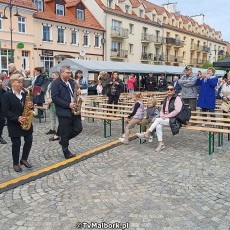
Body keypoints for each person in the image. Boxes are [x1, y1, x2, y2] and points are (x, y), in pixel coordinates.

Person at [1, 75, 34, 172]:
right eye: (19, 82)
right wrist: (17, 118)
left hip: (26, 121)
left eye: (21, 82)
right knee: (16, 143)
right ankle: (15, 163)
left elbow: (30, 107)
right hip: (14, 123)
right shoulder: (6, 95)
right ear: (12, 83)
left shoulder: (25, 94)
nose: (21, 84)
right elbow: (5, 111)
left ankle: (24, 159)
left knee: (29, 140)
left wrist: (31, 106)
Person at [136, 85, 183, 151]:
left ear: (174, 90)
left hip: (174, 119)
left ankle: (147, 133)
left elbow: (177, 110)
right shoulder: (166, 98)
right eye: (168, 89)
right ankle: (161, 144)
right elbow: (161, 110)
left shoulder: (177, 98)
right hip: (165, 119)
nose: (169, 90)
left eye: (171, 89)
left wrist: (166, 116)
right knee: (158, 125)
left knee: (157, 119)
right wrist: (162, 115)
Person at [51, 65, 83, 159]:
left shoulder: (72, 82)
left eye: (70, 72)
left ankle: (63, 140)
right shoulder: (56, 83)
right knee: (64, 132)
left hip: (74, 110)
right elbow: (55, 98)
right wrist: (68, 105)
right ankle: (66, 151)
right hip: (64, 111)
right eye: (68, 73)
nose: (70, 74)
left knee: (78, 128)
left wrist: (77, 92)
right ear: (62, 73)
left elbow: (73, 92)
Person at [45, 71, 60, 138]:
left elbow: (59, 94)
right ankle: (52, 129)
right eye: (52, 75)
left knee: (58, 118)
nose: (52, 77)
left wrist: (52, 99)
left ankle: (60, 131)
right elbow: (47, 91)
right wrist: (48, 98)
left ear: (58, 76)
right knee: (52, 117)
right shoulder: (50, 83)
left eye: (53, 75)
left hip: (56, 103)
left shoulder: (59, 83)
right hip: (51, 103)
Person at [0, 77, 7, 144]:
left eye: (1, 82)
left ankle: (0, 135)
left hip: (2, 107)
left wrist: (4, 88)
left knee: (2, 121)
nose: (1, 83)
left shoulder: (2, 89)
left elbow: (7, 94)